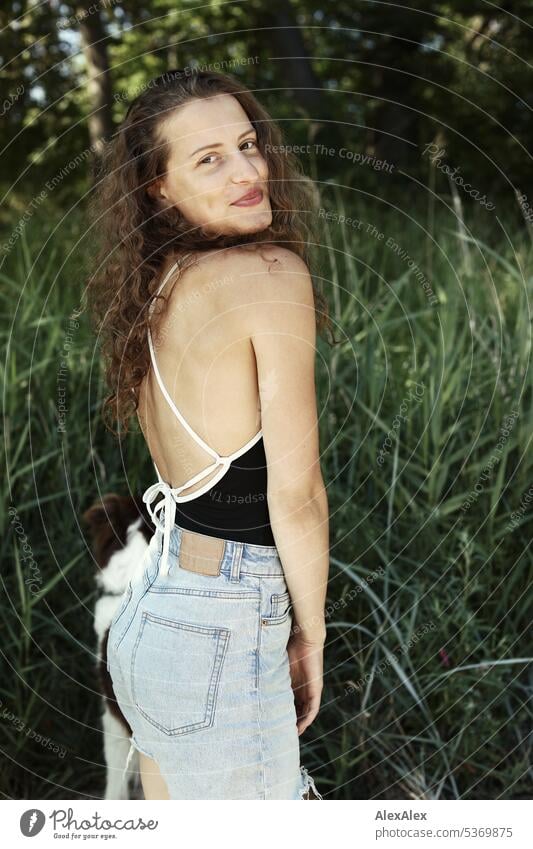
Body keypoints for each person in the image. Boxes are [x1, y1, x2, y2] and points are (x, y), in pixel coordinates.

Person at [88, 68, 332, 800]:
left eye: (247, 144)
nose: (247, 171)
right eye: (209, 159)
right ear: (157, 187)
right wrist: (310, 633)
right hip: (221, 624)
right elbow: (296, 495)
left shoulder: (162, 284)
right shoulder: (268, 273)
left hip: (152, 619)